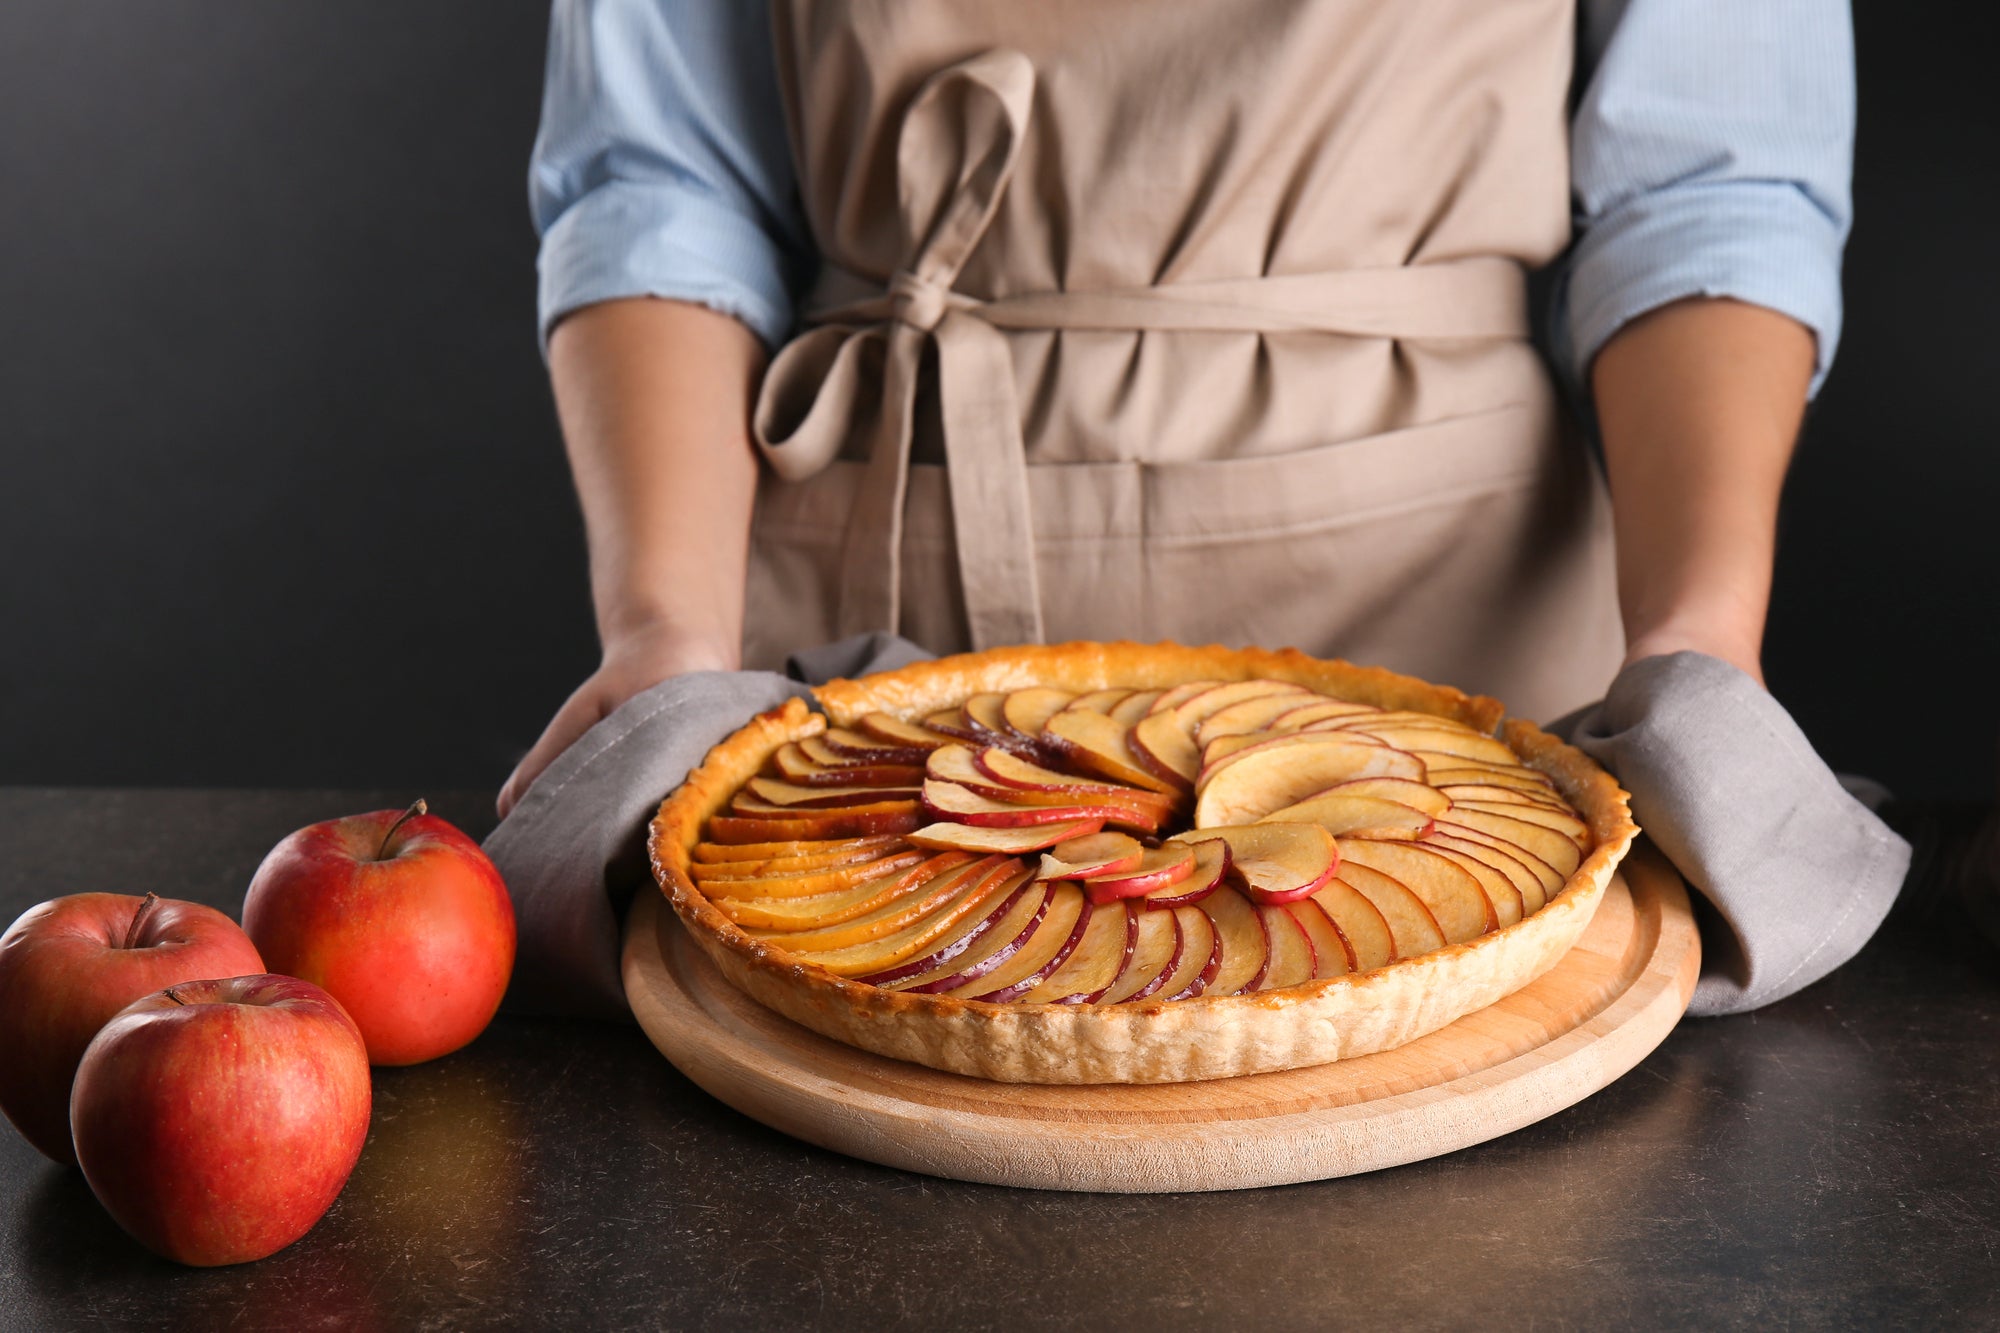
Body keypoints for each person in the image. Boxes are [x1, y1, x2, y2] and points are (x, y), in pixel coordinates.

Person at [488, 0, 1905, 1019]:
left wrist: (1698, 646)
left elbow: (1706, 189)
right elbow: (658, 180)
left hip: (1463, 658)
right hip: (877, 651)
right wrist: (670, 628)